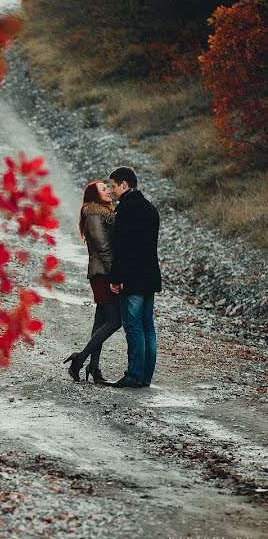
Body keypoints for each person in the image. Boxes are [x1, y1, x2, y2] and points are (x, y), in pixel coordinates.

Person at [107, 166, 162, 388]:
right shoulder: (150, 209)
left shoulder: (125, 210)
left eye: (113, 186)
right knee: (148, 327)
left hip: (132, 278)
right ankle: (145, 377)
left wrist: (116, 278)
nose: (112, 191)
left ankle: (133, 375)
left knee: (134, 327)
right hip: (149, 277)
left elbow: (123, 249)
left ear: (124, 184)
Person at [63, 180, 122, 384]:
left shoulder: (102, 212)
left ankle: (94, 367)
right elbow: (103, 247)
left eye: (108, 188)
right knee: (115, 321)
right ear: (94, 195)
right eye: (103, 189)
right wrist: (115, 274)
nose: (108, 191)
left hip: (103, 273)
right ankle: (79, 360)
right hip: (103, 273)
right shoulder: (94, 214)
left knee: (101, 322)